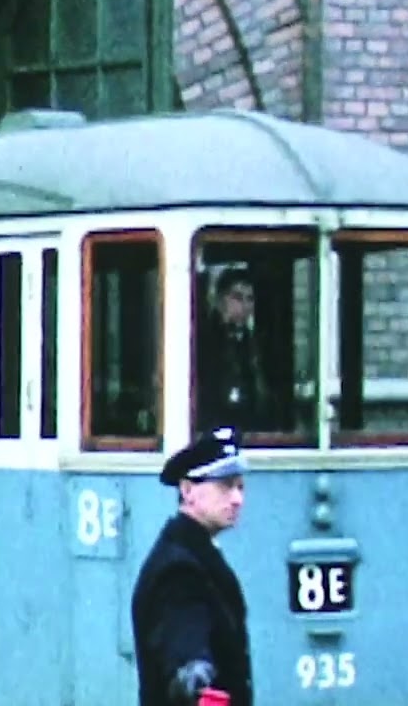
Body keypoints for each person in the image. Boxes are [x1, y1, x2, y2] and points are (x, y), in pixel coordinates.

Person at [130, 427, 254, 706]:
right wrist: (195, 678)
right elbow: (185, 651)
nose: (237, 499)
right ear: (188, 491)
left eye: (240, 486)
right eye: (225, 486)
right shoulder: (179, 572)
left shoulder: (195, 554)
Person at [197, 266, 273, 434]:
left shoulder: (255, 343)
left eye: (250, 299)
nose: (245, 306)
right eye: (237, 298)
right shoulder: (203, 341)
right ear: (219, 300)